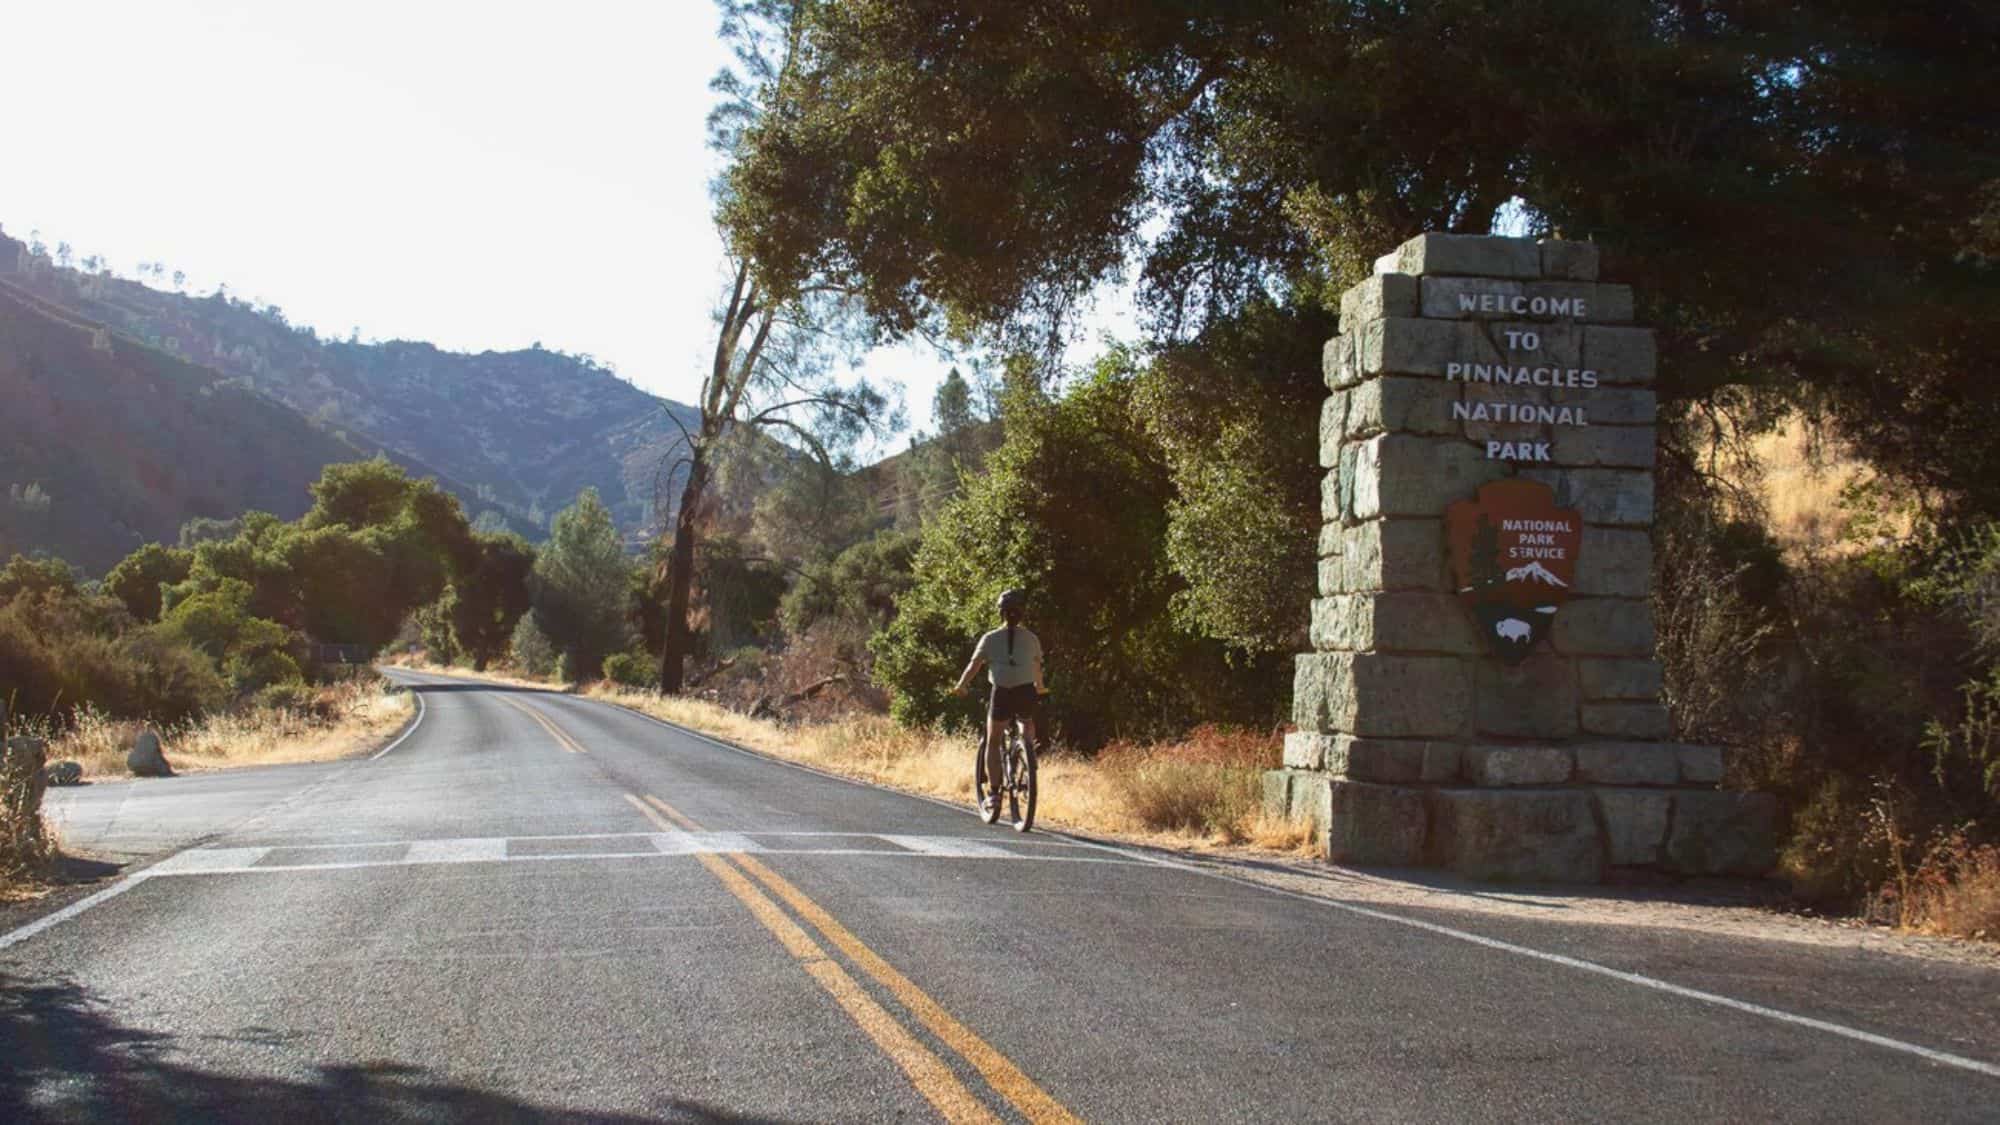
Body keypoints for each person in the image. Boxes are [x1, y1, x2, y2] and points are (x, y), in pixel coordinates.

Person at [951, 588, 1045, 816]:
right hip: (1025, 691)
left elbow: (974, 666)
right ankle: (1027, 754)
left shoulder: (990, 638)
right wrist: (1040, 687)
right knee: (1026, 721)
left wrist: (961, 685)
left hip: (1002, 692)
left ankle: (994, 793)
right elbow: (1036, 666)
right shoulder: (1032, 638)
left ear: (1000, 613)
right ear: (1021, 614)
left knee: (993, 741)